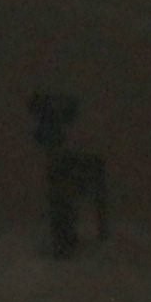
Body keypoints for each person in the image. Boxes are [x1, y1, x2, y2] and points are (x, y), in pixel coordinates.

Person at [30, 90, 110, 256]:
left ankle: (69, 240)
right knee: (62, 201)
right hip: (69, 165)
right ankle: (69, 239)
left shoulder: (58, 122)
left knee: (62, 200)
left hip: (69, 166)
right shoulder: (55, 124)